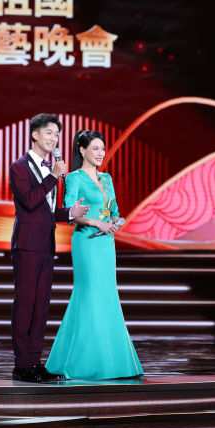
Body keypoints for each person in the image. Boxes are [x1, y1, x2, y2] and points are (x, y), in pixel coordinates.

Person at [46, 130, 143, 380]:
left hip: (106, 244)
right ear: (82, 150)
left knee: (107, 296)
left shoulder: (107, 178)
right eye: (95, 148)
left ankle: (111, 361)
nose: (100, 153)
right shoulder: (74, 178)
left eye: (102, 148)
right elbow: (71, 212)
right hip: (86, 242)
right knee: (87, 295)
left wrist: (115, 222)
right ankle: (80, 362)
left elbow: (114, 210)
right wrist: (95, 222)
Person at [8, 113, 87, 383]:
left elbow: (47, 212)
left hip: (46, 245)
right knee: (26, 304)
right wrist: (53, 177)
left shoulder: (49, 169)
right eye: (49, 133)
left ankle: (34, 362)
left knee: (41, 306)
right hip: (27, 246)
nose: (54, 138)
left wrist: (70, 213)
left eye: (57, 134)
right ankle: (21, 365)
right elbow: (30, 201)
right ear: (35, 135)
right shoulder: (19, 167)